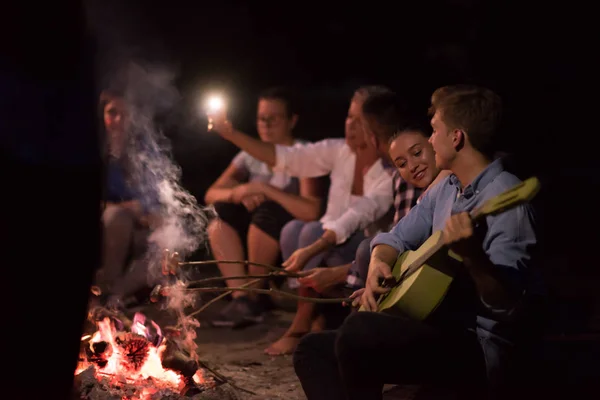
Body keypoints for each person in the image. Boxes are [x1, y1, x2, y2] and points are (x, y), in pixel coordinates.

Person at [293, 84, 546, 400]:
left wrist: (472, 256)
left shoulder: (507, 201)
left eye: (435, 130)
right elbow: (395, 237)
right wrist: (378, 263)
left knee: (359, 332)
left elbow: (509, 306)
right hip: (441, 324)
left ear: (456, 137)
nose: (429, 139)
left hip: (480, 347)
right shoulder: (448, 186)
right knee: (312, 350)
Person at [211, 86, 394, 354]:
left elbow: (357, 217)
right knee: (292, 229)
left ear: (376, 126)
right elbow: (288, 158)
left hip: (363, 251)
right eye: (348, 116)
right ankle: (314, 317)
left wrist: (313, 247)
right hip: (329, 239)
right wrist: (230, 133)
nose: (350, 125)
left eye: (358, 119)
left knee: (307, 231)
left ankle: (300, 325)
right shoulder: (340, 151)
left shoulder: (388, 171)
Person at [300, 90, 451, 296]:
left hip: (430, 274)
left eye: (417, 153)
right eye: (402, 164)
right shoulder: (401, 177)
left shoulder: (440, 180)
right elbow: (398, 235)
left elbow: (403, 241)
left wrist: (340, 272)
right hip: (400, 259)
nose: (413, 165)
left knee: (364, 250)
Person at [205, 87, 323, 328]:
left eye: (274, 118)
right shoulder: (249, 156)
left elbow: (311, 210)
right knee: (220, 212)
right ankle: (241, 299)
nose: (266, 124)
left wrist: (265, 191)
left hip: (285, 245)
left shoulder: (304, 153)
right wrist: (239, 193)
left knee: (267, 212)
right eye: (261, 118)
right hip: (251, 238)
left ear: (292, 120)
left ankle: (253, 295)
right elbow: (211, 193)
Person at [95, 88, 162, 308]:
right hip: (112, 216)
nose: (118, 120)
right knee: (116, 217)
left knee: (169, 239)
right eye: (112, 113)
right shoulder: (95, 147)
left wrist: (145, 208)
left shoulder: (143, 147)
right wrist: (128, 206)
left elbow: (155, 188)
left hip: (140, 216)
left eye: (125, 114)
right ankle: (111, 293)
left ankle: (114, 296)